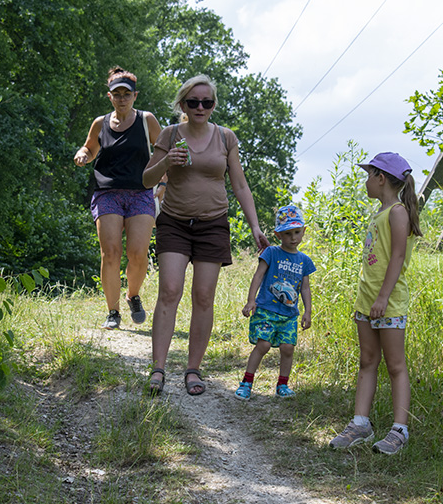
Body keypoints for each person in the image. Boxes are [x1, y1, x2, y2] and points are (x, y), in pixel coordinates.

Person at [142, 74, 270, 396]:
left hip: (213, 223)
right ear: (183, 104)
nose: (200, 107)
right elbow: (145, 179)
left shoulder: (226, 138)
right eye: (193, 102)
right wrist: (166, 163)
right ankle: (158, 369)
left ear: (213, 105)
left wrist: (255, 226)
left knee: (203, 296)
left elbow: (239, 184)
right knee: (170, 290)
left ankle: (193, 369)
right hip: (174, 221)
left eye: (207, 102)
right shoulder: (170, 135)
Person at [329, 152, 423, 455]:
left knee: (395, 365)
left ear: (380, 178)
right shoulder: (381, 212)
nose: (366, 181)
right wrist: (369, 300)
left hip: (389, 303)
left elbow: (397, 258)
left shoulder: (397, 212)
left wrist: (382, 297)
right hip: (367, 302)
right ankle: (360, 424)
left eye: (368, 175)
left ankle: (399, 430)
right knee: (367, 362)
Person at [74, 67, 164, 330]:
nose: (122, 98)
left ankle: (132, 295)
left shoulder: (147, 120)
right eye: (117, 94)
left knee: (137, 254)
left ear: (135, 96)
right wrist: (82, 154)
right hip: (107, 193)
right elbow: (89, 148)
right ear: (109, 96)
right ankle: (112, 311)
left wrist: (164, 182)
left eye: (127, 94)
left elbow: (164, 152)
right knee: (110, 253)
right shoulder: (100, 123)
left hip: (140, 193)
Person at [234, 204, 316, 401]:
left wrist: (307, 312)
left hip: (289, 315)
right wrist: (251, 300)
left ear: (304, 231)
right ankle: (246, 382)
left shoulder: (304, 261)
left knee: (288, 348)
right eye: (288, 233)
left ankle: (282, 385)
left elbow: (305, 288)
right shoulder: (271, 253)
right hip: (267, 310)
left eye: (297, 232)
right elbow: (258, 276)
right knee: (263, 344)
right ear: (278, 235)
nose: (293, 237)